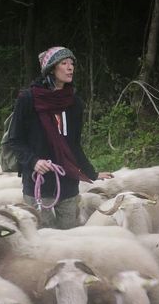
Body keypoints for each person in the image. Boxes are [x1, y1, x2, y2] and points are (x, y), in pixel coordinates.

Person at [7, 46, 113, 229]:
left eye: (72, 63)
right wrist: (33, 161)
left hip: (67, 182)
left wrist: (91, 173)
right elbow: (15, 140)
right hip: (37, 182)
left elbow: (73, 145)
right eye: (64, 63)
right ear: (51, 69)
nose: (70, 67)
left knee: (69, 237)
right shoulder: (28, 100)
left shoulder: (74, 103)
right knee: (44, 238)